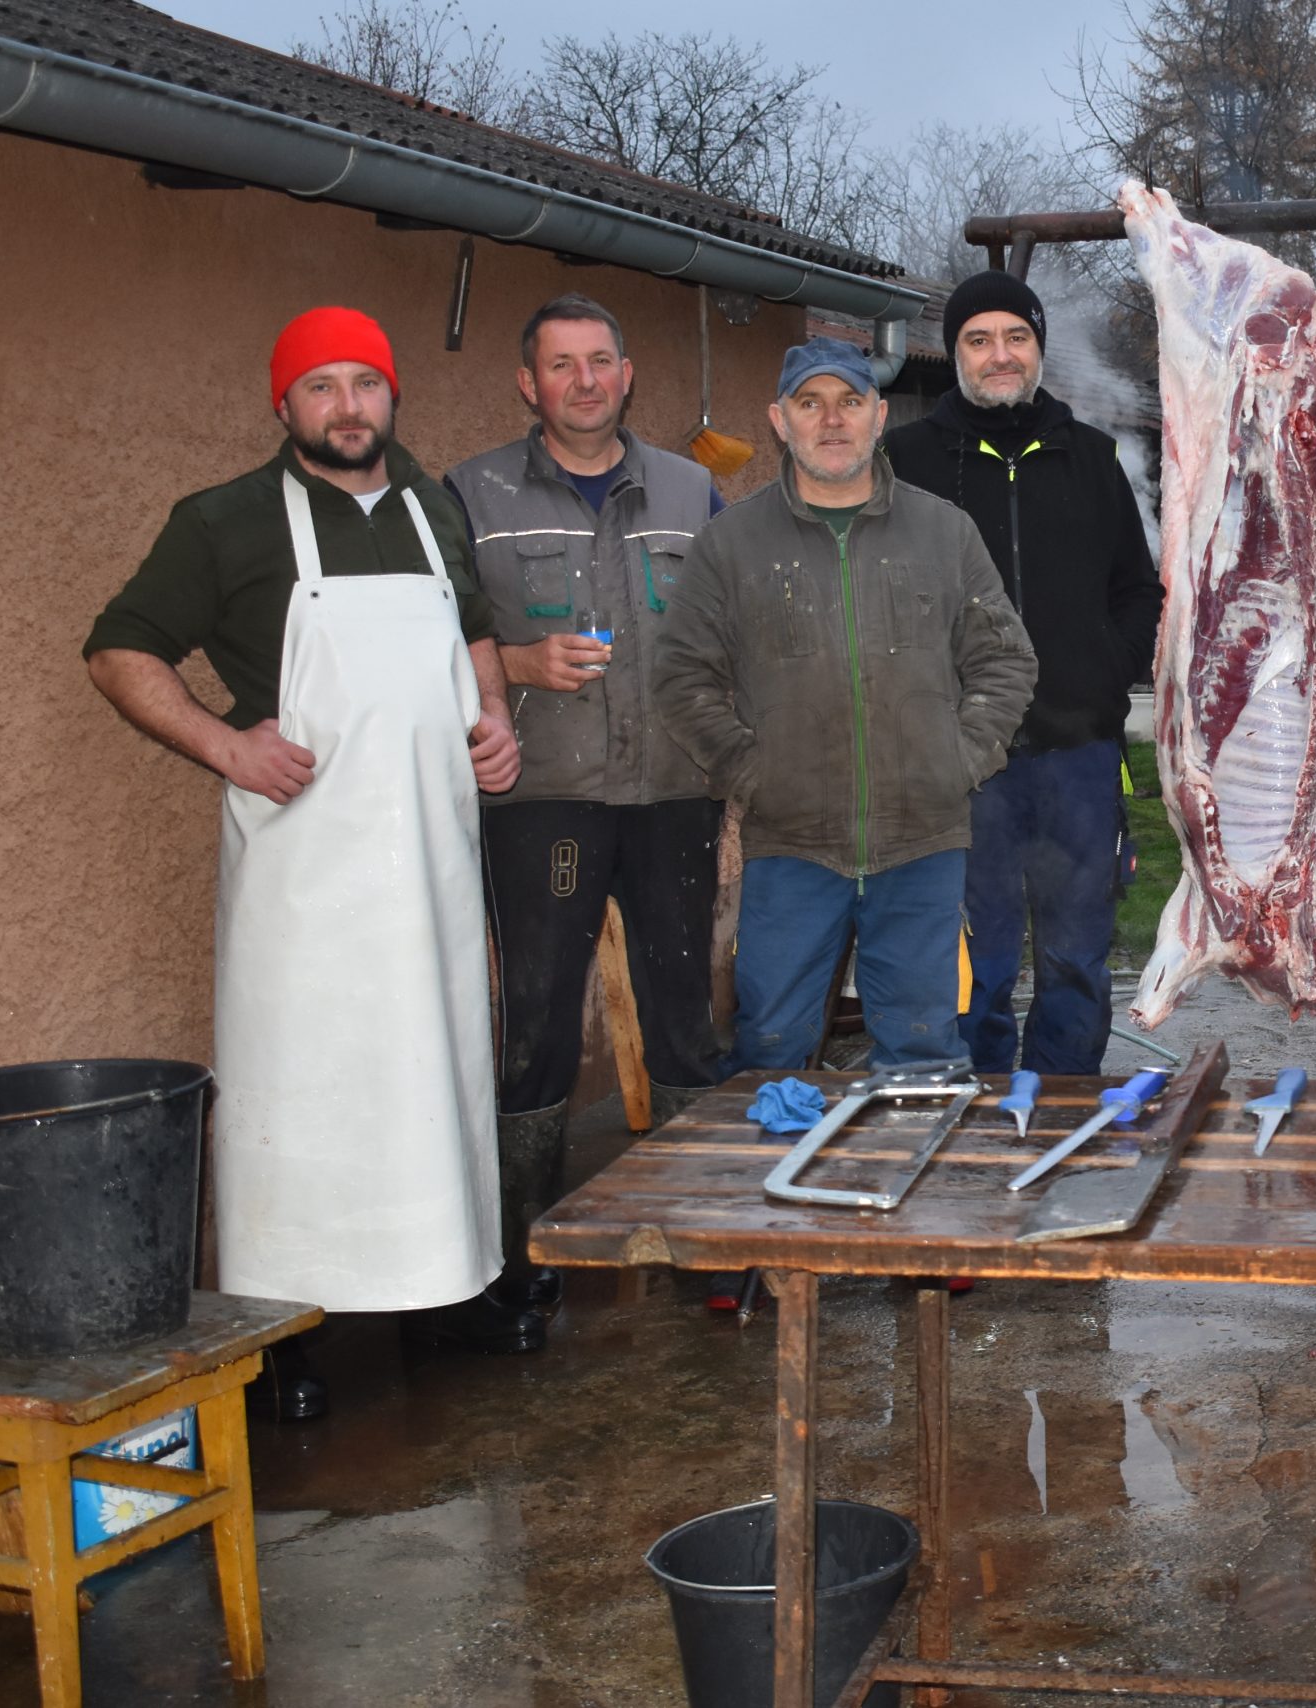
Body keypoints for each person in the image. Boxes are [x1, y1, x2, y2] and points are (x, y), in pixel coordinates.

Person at [84, 307, 527, 1419]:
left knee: (437, 1070)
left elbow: (470, 628)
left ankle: (450, 1287)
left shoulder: (432, 507)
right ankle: (284, 1329)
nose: (347, 407)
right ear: (282, 404)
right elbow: (118, 646)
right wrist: (229, 744)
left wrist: (495, 716)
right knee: (309, 1088)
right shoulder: (223, 521)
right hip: (307, 872)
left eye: (364, 384)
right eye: (320, 387)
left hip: (426, 857)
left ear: (392, 396)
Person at [445, 295, 724, 1319]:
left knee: (684, 1016)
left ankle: (707, 1238)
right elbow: (439, 638)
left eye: (599, 360)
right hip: (543, 799)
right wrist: (519, 661)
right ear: (529, 383)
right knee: (539, 1022)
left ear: (628, 371)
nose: (583, 380)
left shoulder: (693, 489)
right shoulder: (471, 493)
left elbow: (727, 631)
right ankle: (523, 1254)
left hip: (673, 793)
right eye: (559, 364)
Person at [654, 337, 1036, 1074]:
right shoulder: (732, 542)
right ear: (779, 419)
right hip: (791, 845)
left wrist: (957, 760)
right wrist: (751, 773)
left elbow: (1004, 659)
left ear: (880, 415)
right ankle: (778, 1187)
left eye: (850, 402)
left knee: (925, 1048)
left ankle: (907, 1183)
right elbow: (682, 674)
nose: (832, 421)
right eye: (810, 403)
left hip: (922, 843)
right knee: (769, 1045)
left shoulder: (943, 532)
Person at [882, 271, 1164, 1074]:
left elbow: (1137, 587)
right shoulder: (905, 462)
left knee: (1077, 956)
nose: (998, 356)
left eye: (1015, 338)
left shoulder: (1090, 456)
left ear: (1037, 348)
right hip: (961, 762)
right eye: (979, 340)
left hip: (1078, 754)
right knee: (978, 962)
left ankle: (1064, 1111)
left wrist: (1107, 669)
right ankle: (975, 1118)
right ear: (955, 351)